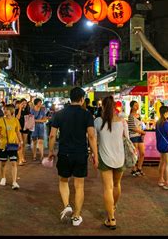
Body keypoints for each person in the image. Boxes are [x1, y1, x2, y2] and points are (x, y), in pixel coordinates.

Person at [48, 87, 98, 227]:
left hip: (64, 153)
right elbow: (92, 136)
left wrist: (51, 151)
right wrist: (95, 154)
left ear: (70, 98)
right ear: (82, 99)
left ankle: (67, 205)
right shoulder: (86, 114)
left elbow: (52, 135)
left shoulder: (59, 114)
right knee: (79, 185)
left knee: (63, 181)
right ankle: (76, 216)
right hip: (80, 153)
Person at [94, 96, 127, 230]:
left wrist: (94, 155)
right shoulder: (122, 121)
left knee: (108, 187)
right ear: (114, 107)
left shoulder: (97, 121)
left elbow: (94, 140)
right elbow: (127, 138)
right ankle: (113, 206)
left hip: (104, 157)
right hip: (120, 157)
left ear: (102, 106)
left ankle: (111, 218)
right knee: (117, 184)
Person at [0, 104, 23, 190]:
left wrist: (21, 141)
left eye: (6, 110)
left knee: (14, 163)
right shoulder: (0, 120)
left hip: (13, 145)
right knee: (3, 163)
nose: (5, 111)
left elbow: (18, 132)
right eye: (4, 109)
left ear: (11, 111)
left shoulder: (15, 120)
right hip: (3, 145)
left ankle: (14, 182)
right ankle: (3, 178)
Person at [127, 101, 146, 176]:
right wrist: (142, 132)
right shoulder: (130, 116)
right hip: (134, 136)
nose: (137, 107)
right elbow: (132, 128)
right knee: (134, 153)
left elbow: (141, 125)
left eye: (137, 105)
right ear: (131, 107)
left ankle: (139, 167)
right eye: (135, 105)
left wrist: (142, 132)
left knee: (142, 153)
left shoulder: (139, 115)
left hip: (139, 135)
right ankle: (133, 169)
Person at [16, 99, 31, 165]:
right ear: (20, 104)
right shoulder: (16, 110)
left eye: (25, 103)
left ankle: (22, 157)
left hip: (25, 128)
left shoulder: (28, 111)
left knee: (24, 144)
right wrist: (20, 109)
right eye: (22, 103)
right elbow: (17, 118)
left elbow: (30, 120)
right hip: (19, 128)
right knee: (20, 143)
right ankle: (20, 158)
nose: (24, 104)